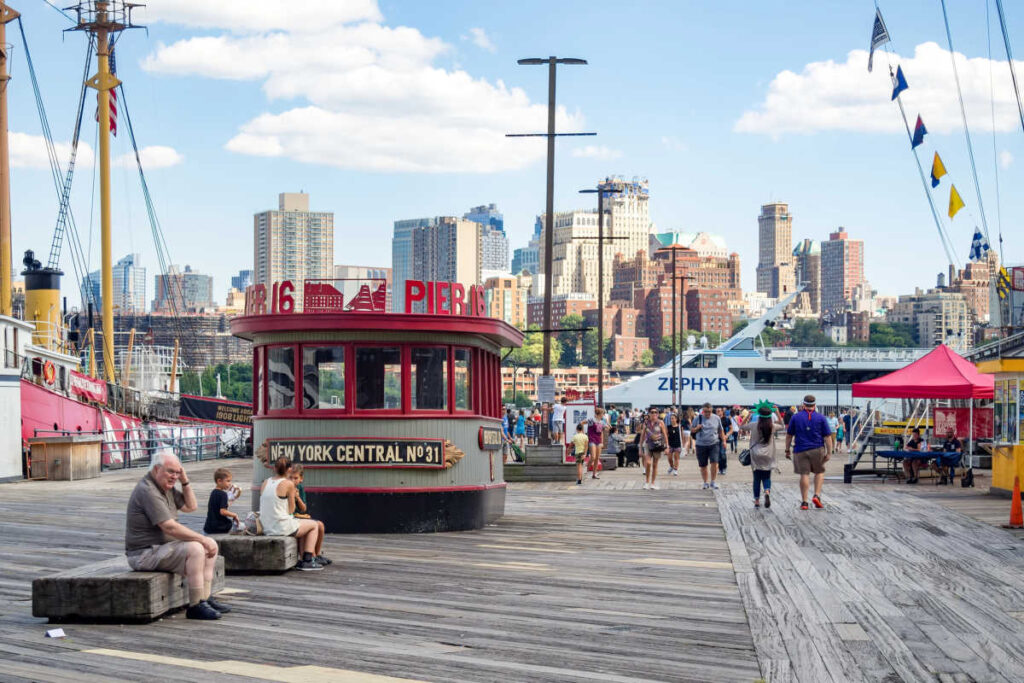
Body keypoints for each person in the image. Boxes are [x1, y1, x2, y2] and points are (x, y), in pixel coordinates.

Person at [125, 450, 228, 620]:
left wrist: (185, 481)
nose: (174, 476)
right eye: (170, 471)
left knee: (211, 544)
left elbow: (191, 506)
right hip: (144, 553)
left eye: (177, 472)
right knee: (196, 548)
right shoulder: (148, 490)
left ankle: (205, 597)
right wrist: (201, 539)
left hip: (161, 548)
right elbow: (169, 527)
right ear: (157, 469)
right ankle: (195, 606)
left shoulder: (166, 487)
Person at [260, 456, 326, 571]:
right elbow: (291, 510)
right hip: (280, 527)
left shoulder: (265, 482)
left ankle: (304, 557)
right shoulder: (288, 484)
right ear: (289, 469)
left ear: (274, 468)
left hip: (266, 526)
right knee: (314, 525)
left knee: (303, 524)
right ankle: (308, 560)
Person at [784, 394, 833, 510]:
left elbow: (789, 435)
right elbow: (827, 437)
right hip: (817, 448)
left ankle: (804, 502)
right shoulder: (821, 417)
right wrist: (829, 452)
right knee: (819, 472)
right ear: (815, 405)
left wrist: (787, 450)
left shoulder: (795, 417)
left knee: (804, 474)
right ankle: (816, 495)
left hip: (800, 449)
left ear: (803, 404)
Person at [288, 465, 330, 564]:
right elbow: (289, 510)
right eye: (290, 478)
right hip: (292, 518)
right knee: (315, 525)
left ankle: (317, 554)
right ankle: (312, 556)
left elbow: (304, 509)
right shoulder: (286, 488)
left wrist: (297, 498)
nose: (293, 481)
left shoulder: (300, 488)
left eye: (296, 478)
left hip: (299, 515)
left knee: (321, 525)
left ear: (301, 479)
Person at [742, 401, 779, 508]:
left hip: (755, 454)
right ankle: (767, 491)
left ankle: (757, 500)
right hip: (768, 454)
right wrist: (777, 412)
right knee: (767, 476)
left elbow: (741, 426)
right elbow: (782, 425)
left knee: (756, 478)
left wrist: (748, 414)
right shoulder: (772, 426)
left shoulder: (754, 425)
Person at [692, 403, 726, 490]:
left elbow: (720, 430)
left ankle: (713, 481)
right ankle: (705, 482)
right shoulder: (697, 418)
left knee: (715, 463)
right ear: (703, 411)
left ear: (712, 410)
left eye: (709, 411)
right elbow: (691, 430)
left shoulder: (716, 418)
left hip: (714, 443)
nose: (707, 413)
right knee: (703, 465)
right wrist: (697, 428)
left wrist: (724, 441)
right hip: (701, 444)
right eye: (705, 411)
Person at [203, 467, 244, 535]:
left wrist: (232, 499)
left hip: (208, 527)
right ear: (219, 481)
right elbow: (223, 511)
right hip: (219, 528)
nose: (229, 484)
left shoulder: (214, 492)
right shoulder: (223, 494)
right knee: (240, 527)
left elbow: (221, 506)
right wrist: (234, 515)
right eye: (228, 481)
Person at [639, 406, 669, 490]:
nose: (654, 414)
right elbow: (642, 436)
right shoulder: (646, 423)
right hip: (648, 444)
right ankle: (647, 482)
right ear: (649, 413)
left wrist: (667, 446)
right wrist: (640, 448)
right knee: (648, 463)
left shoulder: (660, 423)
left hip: (658, 445)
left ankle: (652, 483)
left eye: (656, 412)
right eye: (652, 412)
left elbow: (665, 435)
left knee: (655, 465)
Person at [587, 406, 608, 481]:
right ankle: (585, 470)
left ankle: (594, 474)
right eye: (603, 414)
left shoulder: (602, 422)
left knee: (597, 458)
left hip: (598, 440)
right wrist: (583, 433)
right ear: (599, 414)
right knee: (593, 457)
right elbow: (582, 422)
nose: (603, 415)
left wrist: (602, 442)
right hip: (592, 439)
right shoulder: (591, 420)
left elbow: (603, 431)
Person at [715, 406, 732, 475]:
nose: (718, 412)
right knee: (717, 454)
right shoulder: (714, 419)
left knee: (722, 454)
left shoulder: (726, 419)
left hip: (723, 439)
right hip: (715, 439)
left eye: (719, 411)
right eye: (716, 411)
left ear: (722, 412)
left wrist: (727, 435)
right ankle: (719, 468)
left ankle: (724, 467)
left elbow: (731, 429)